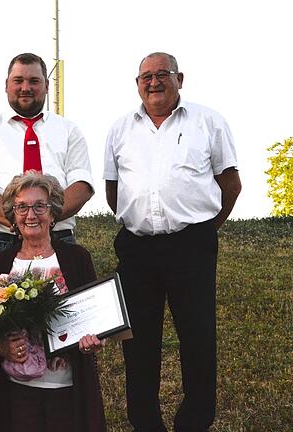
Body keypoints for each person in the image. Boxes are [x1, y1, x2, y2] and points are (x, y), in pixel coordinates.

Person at [103, 52, 242, 431]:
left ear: (180, 77)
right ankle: (146, 423)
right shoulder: (120, 129)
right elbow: (112, 192)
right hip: (136, 248)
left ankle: (194, 423)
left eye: (162, 74)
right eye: (145, 76)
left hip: (192, 246)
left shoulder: (208, 122)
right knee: (138, 344)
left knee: (198, 338)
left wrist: (206, 228)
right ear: (137, 84)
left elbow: (231, 185)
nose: (153, 82)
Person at [0, 172, 106, 432]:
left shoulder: (76, 258)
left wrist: (94, 339)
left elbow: (95, 315)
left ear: (53, 214)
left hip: (68, 388)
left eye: (40, 206)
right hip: (18, 392)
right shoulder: (0, 265)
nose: (31, 214)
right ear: (13, 216)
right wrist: (1, 347)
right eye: (22, 207)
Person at [0, 52, 94, 276]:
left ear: (46, 86)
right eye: (18, 81)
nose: (26, 87)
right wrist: (23, 221)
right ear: (6, 85)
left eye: (34, 81)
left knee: (70, 311)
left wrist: (44, 220)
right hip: (3, 241)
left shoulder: (69, 130)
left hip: (60, 239)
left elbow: (81, 186)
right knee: (1, 311)